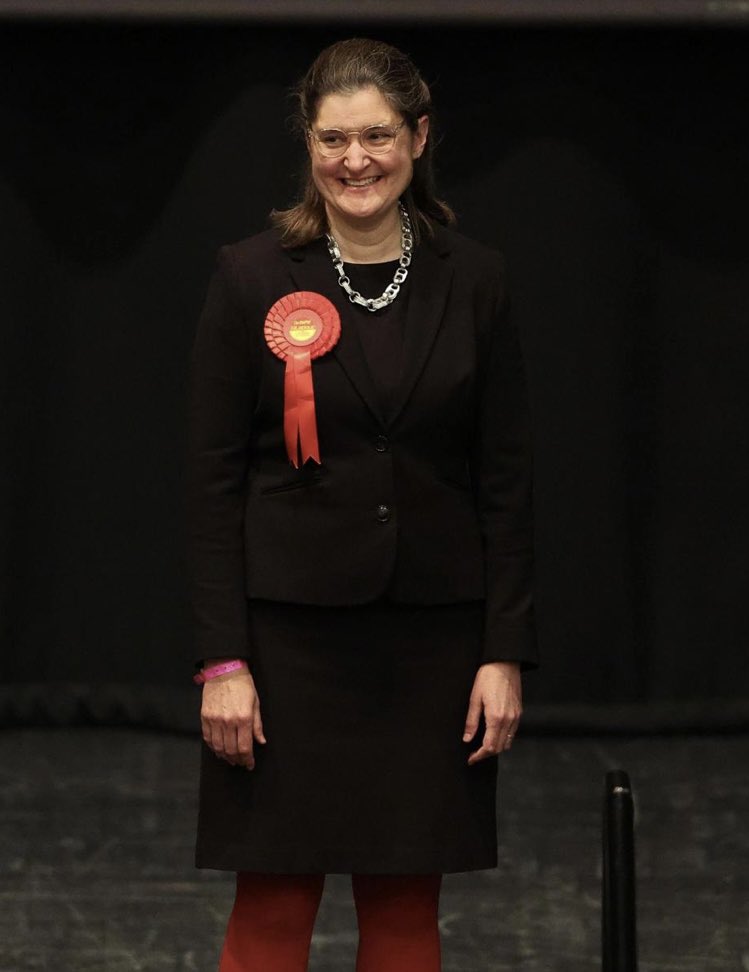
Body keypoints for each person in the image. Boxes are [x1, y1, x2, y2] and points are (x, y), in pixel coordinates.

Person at [186, 37, 536, 972]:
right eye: (333, 139)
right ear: (308, 144)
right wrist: (223, 659)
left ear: (418, 138)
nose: (356, 161)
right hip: (286, 644)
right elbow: (213, 484)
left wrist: (503, 651)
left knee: (403, 903)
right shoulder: (250, 276)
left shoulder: (478, 280)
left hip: (429, 640)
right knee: (272, 900)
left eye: (377, 136)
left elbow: (503, 480)